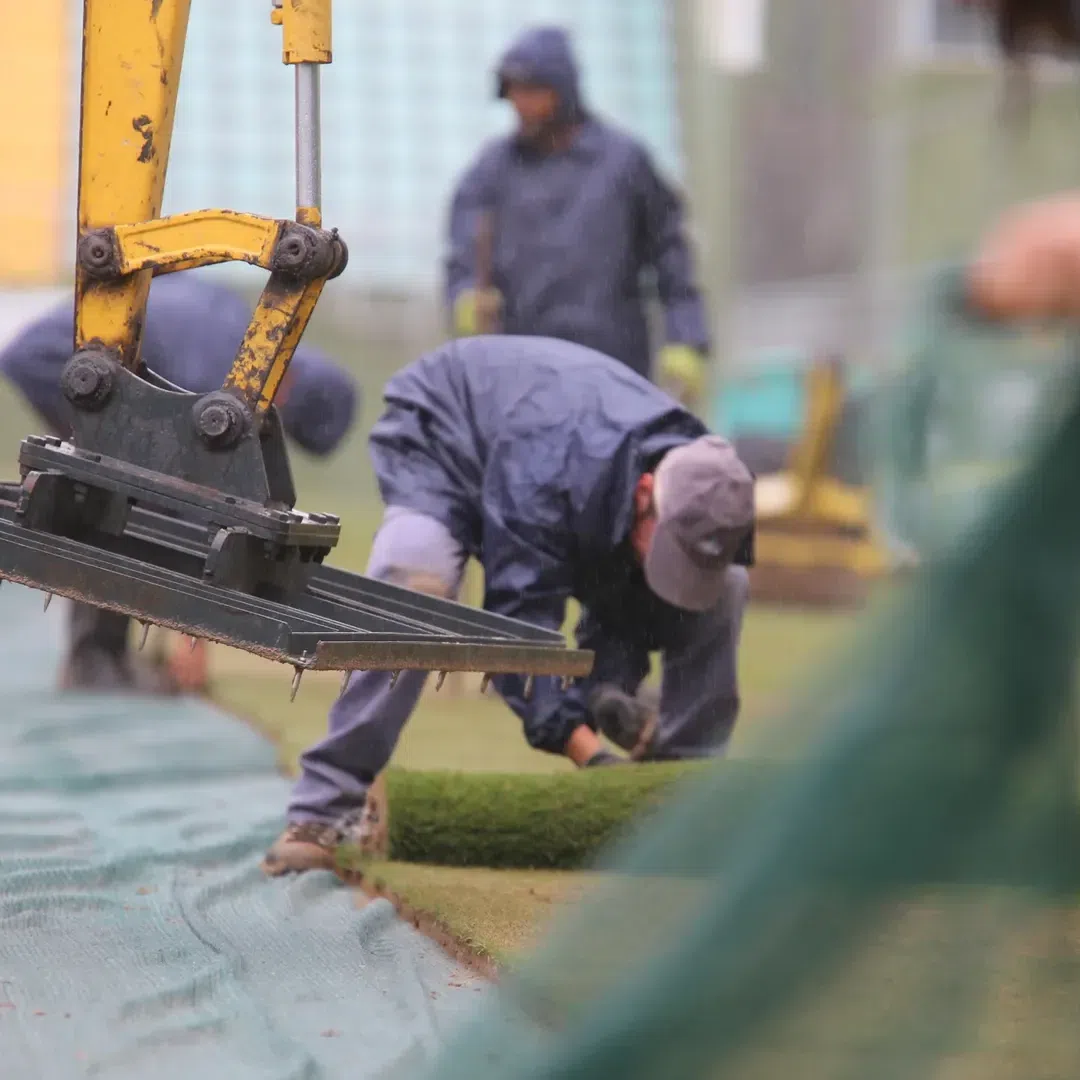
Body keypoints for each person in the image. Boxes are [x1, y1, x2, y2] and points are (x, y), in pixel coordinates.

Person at [262, 334, 755, 876]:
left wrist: (609, 690)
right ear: (644, 495)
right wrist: (593, 758)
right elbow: (514, 631)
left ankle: (676, 798)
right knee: (416, 581)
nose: (672, 568)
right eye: (663, 550)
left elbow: (636, 596)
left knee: (725, 588)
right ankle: (321, 808)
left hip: (565, 470)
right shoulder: (549, 472)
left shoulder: (713, 490)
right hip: (447, 434)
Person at [0, 272, 361, 694]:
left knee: (121, 494)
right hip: (63, 363)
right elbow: (196, 499)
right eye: (289, 421)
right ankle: (94, 660)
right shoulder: (220, 370)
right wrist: (196, 638)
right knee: (124, 501)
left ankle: (104, 655)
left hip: (67, 359)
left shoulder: (233, 323)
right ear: (290, 387)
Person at [444, 26, 711, 409]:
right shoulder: (492, 172)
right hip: (521, 383)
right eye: (515, 93)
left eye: (533, 91)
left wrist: (686, 339)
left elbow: (671, 255)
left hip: (615, 378)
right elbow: (464, 252)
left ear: (562, 90)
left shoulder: (623, 165)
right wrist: (465, 296)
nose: (522, 104)